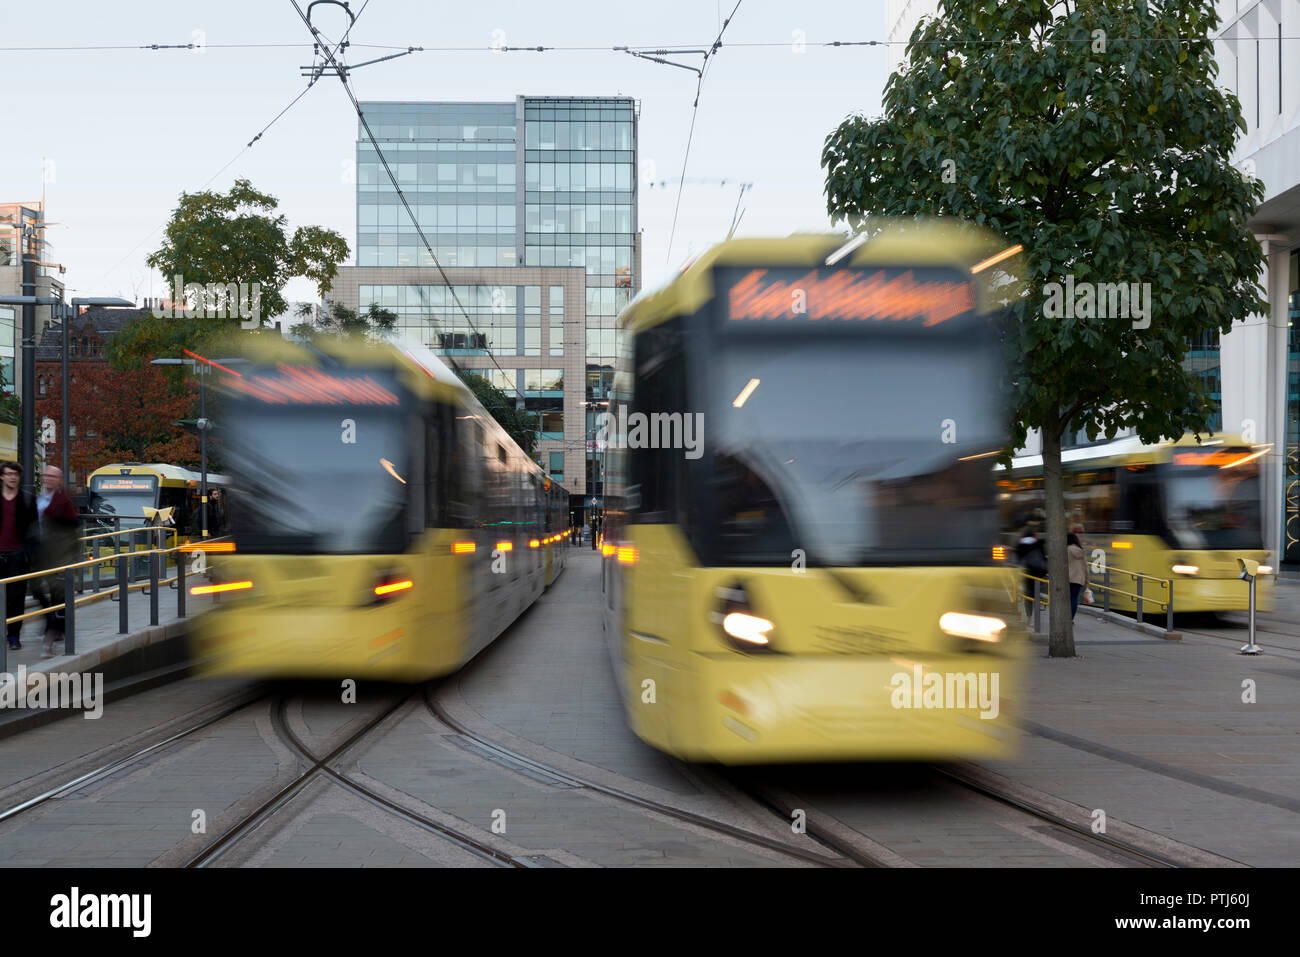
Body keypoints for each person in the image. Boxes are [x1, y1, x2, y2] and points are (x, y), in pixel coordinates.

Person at [32, 466, 80, 658]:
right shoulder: (39, 500)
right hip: (41, 556)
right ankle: (54, 625)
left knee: (58, 595)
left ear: (60, 480)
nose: (49, 479)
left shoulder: (63, 502)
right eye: (46, 476)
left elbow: (73, 533)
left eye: (53, 477)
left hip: (60, 558)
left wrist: (69, 559)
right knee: (37, 589)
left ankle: (51, 635)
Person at [0, 462, 38, 650]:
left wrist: (29, 556)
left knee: (16, 598)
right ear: (2, 477)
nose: (12, 478)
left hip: (18, 556)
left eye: (15, 474)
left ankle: (13, 636)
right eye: (8, 474)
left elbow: (34, 531)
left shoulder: (28, 500)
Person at [1016, 525, 1047, 620]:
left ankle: (1029, 615)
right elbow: (1043, 558)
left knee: (1027, 594)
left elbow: (1017, 559)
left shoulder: (1020, 544)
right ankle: (1035, 614)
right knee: (1035, 592)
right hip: (1037, 573)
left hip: (1025, 572)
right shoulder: (1038, 543)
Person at [1067, 532, 1088, 620]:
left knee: (1067, 599)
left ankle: (1067, 617)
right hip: (1079, 579)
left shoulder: (1067, 549)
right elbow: (1086, 567)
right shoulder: (1081, 551)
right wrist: (1087, 580)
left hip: (1068, 578)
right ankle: (1071, 618)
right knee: (1074, 598)